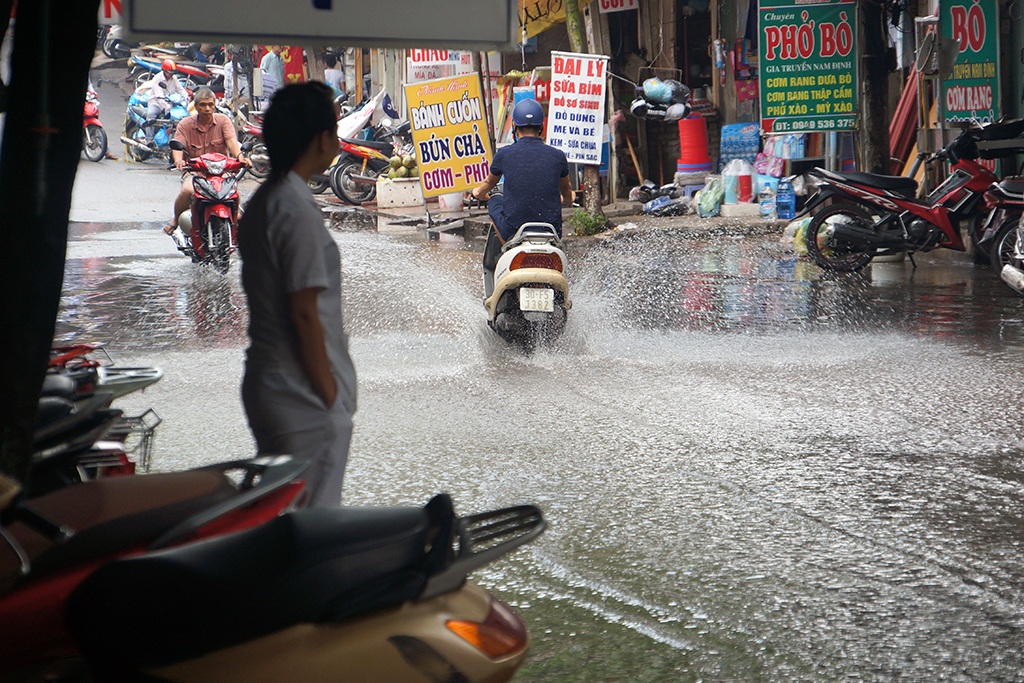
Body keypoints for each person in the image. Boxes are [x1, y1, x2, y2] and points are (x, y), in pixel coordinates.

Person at [237, 82, 356, 509]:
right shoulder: (294, 207)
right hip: (299, 393)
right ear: (322, 138)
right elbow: (303, 312)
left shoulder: (267, 199)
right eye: (335, 130)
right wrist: (329, 400)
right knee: (310, 524)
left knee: (283, 517)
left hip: (277, 383)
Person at [470, 98, 574, 244]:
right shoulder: (557, 155)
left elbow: (489, 183)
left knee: (495, 201)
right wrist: (569, 199)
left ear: (514, 125)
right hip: (552, 230)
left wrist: (478, 193)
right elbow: (566, 189)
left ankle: (507, 248)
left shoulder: (504, 154)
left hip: (514, 229)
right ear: (541, 126)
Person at [163, 86, 248, 245]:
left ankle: (235, 222)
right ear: (196, 106)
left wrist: (240, 157)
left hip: (221, 172)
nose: (207, 108)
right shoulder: (185, 124)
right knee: (187, 190)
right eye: (202, 105)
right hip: (195, 172)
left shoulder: (223, 121)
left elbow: (231, 142)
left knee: (234, 193)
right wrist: (179, 160)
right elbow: (177, 145)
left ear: (215, 105)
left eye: (210, 104)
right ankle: (176, 220)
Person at [145, 59, 188, 142]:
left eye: (173, 73)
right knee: (151, 116)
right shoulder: (158, 79)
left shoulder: (174, 78)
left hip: (170, 103)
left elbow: (180, 89)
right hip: (156, 103)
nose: (171, 75)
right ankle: (149, 139)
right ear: (164, 71)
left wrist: (186, 97)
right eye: (170, 72)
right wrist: (166, 106)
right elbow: (159, 96)